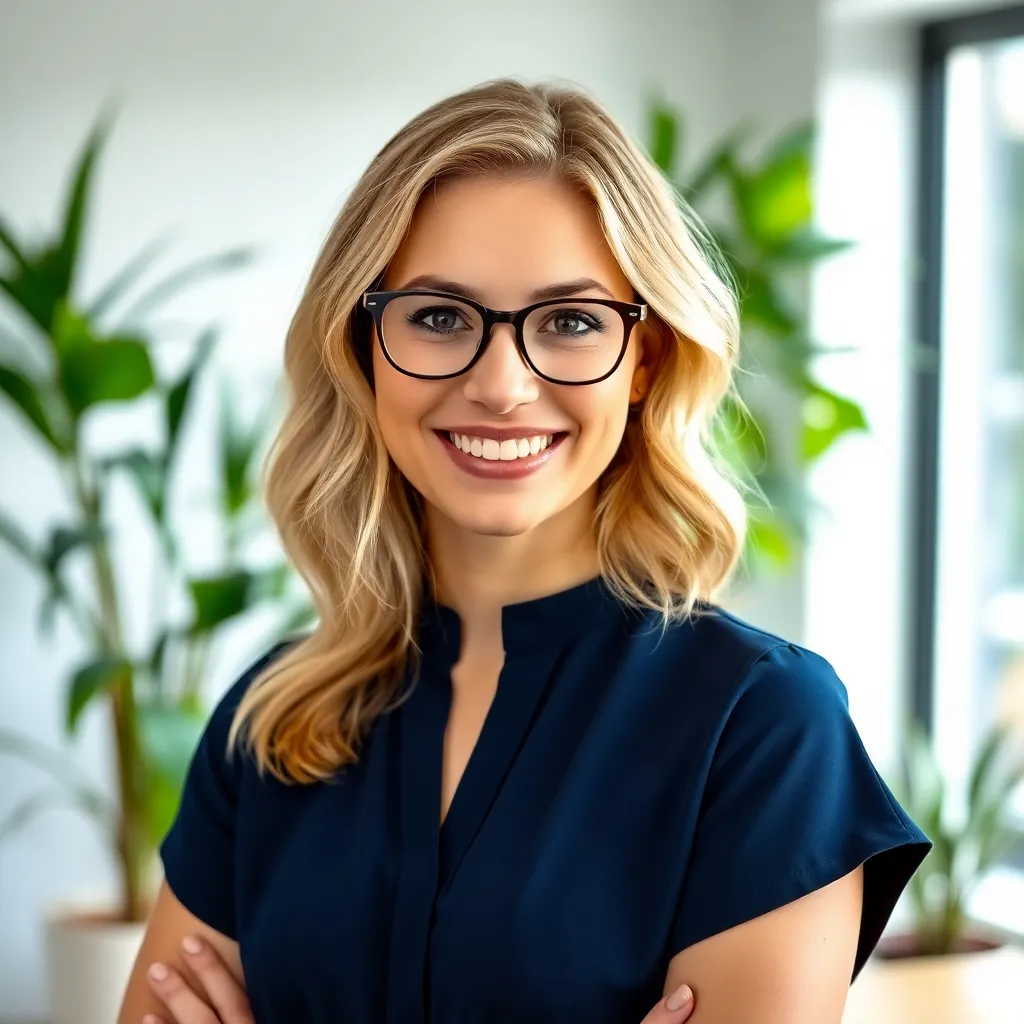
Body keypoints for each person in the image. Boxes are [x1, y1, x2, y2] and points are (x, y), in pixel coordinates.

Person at [117, 76, 932, 1024]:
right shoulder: (270, 723)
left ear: (646, 361)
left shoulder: (760, 728)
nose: (501, 386)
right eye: (438, 316)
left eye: (572, 322)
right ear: (363, 346)